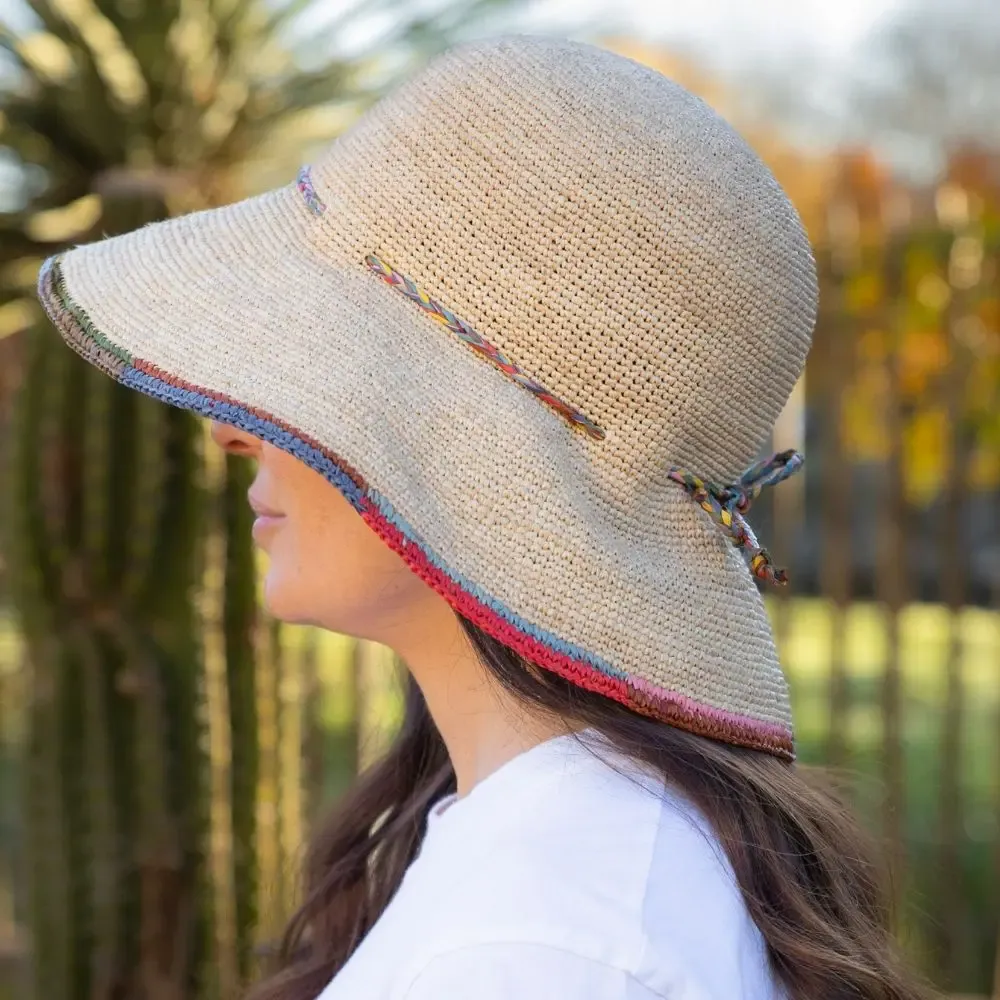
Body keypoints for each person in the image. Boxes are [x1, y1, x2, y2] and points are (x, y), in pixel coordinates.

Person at [37, 33, 932, 1000]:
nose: (232, 433)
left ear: (462, 445)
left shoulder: (540, 945)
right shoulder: (562, 864)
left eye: (309, 376)